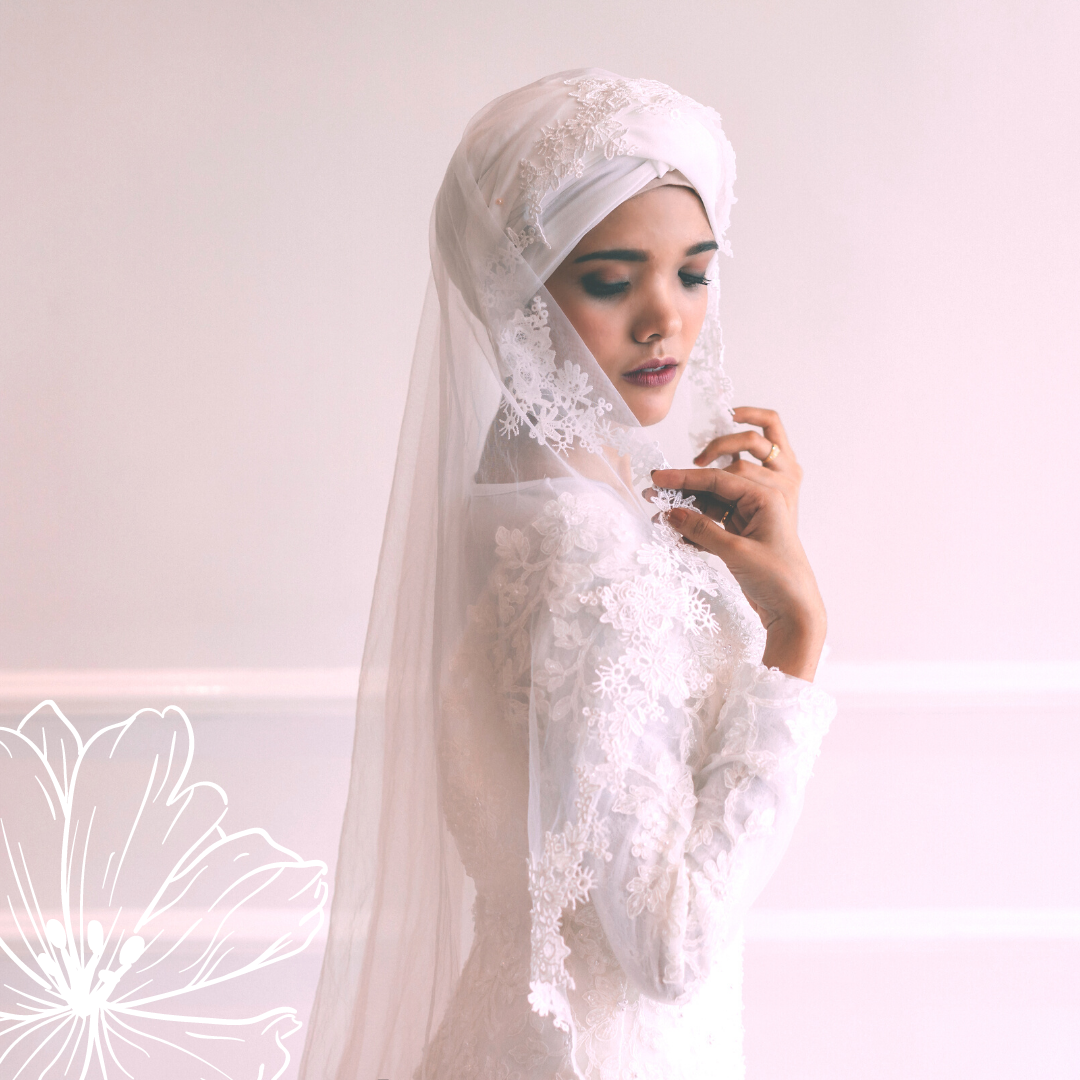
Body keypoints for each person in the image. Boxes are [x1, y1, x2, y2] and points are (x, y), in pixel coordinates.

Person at [300, 69, 835, 1080]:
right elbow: (671, 946)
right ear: (520, 291)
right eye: (610, 279)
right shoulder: (579, 547)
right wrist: (796, 640)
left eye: (694, 273)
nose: (664, 317)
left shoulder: (529, 494)